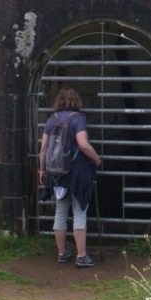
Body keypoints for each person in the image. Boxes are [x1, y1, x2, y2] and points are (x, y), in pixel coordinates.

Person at [38, 87, 102, 267]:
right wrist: (97, 159)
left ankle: (62, 253)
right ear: (76, 102)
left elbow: (43, 149)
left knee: (60, 211)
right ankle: (81, 256)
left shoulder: (52, 120)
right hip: (77, 172)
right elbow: (83, 145)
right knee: (80, 211)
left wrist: (42, 171)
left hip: (56, 174)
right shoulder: (78, 119)